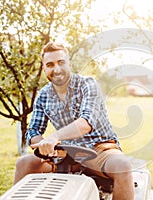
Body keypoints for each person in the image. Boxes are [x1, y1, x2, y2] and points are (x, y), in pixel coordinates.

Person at [14, 41, 134, 200]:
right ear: (44, 69)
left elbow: (85, 123)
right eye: (50, 64)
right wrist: (44, 145)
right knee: (24, 163)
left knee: (123, 167)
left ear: (69, 63)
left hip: (99, 150)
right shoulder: (43, 95)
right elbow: (33, 131)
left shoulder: (88, 84)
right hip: (66, 153)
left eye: (61, 62)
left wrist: (54, 137)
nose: (56, 69)